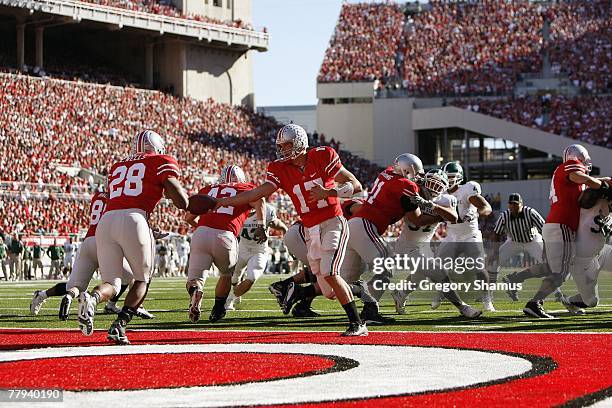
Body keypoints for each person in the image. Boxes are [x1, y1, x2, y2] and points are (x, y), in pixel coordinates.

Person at [213, 124, 367, 336]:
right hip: (310, 229)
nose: (283, 150)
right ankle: (340, 290)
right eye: (281, 146)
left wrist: (330, 192)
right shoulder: (279, 169)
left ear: (301, 142)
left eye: (288, 145)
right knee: (330, 291)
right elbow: (255, 194)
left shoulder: (323, 155)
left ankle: (358, 324)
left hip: (333, 221)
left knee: (331, 272)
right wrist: (224, 201)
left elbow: (355, 185)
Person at [77, 130, 188, 344]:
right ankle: (119, 326)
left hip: (106, 221)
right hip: (135, 218)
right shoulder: (160, 160)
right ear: (156, 147)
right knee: (142, 279)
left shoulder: (118, 166)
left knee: (111, 282)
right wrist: (188, 203)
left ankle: (92, 298)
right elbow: (180, 199)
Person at [522, 144, 610, 318]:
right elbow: (578, 176)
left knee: (561, 270)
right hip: (560, 225)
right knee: (560, 272)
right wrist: (601, 185)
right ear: (578, 158)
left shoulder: (567, 174)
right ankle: (534, 303)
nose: (586, 166)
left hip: (560, 226)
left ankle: (554, 301)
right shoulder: (569, 167)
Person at [391, 169, 480, 318]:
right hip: (407, 246)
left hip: (424, 245)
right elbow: (416, 221)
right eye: (431, 183)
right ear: (425, 182)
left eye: (438, 186)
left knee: (419, 277)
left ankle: (400, 293)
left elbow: (453, 217)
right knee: (439, 273)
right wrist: (437, 215)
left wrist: (432, 206)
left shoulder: (445, 199)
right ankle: (462, 307)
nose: (433, 189)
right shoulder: (413, 193)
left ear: (444, 188)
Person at [184, 164, 266, 323]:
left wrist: (202, 227)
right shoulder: (245, 187)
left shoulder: (208, 189)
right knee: (226, 275)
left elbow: (187, 218)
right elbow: (260, 201)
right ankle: (218, 309)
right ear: (242, 179)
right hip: (226, 235)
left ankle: (196, 291)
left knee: (195, 279)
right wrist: (261, 226)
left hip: (201, 234)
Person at [435, 161, 493, 311]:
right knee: (437, 268)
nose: (448, 180)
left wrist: (478, 212)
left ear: (460, 177)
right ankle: (443, 293)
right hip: (452, 235)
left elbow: (486, 207)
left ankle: (487, 299)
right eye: (446, 177)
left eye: (452, 176)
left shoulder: (467, 189)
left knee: (478, 268)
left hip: (470, 235)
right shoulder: (442, 194)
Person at [226, 202, 288, 311]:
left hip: (259, 251)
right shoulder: (235, 210)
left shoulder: (267, 210)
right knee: (234, 278)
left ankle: (229, 299)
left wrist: (284, 230)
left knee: (252, 277)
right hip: (241, 249)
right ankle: (237, 289)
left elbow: (277, 224)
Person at [488, 193, 546, 301]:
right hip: (513, 242)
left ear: (521, 204)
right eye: (511, 204)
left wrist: (546, 250)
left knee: (547, 264)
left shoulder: (530, 213)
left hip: (532, 240)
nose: (513, 207)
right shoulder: (504, 216)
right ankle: (488, 293)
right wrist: (495, 252)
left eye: (516, 204)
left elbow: (545, 230)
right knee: (494, 263)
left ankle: (557, 293)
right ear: (508, 205)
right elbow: (496, 233)